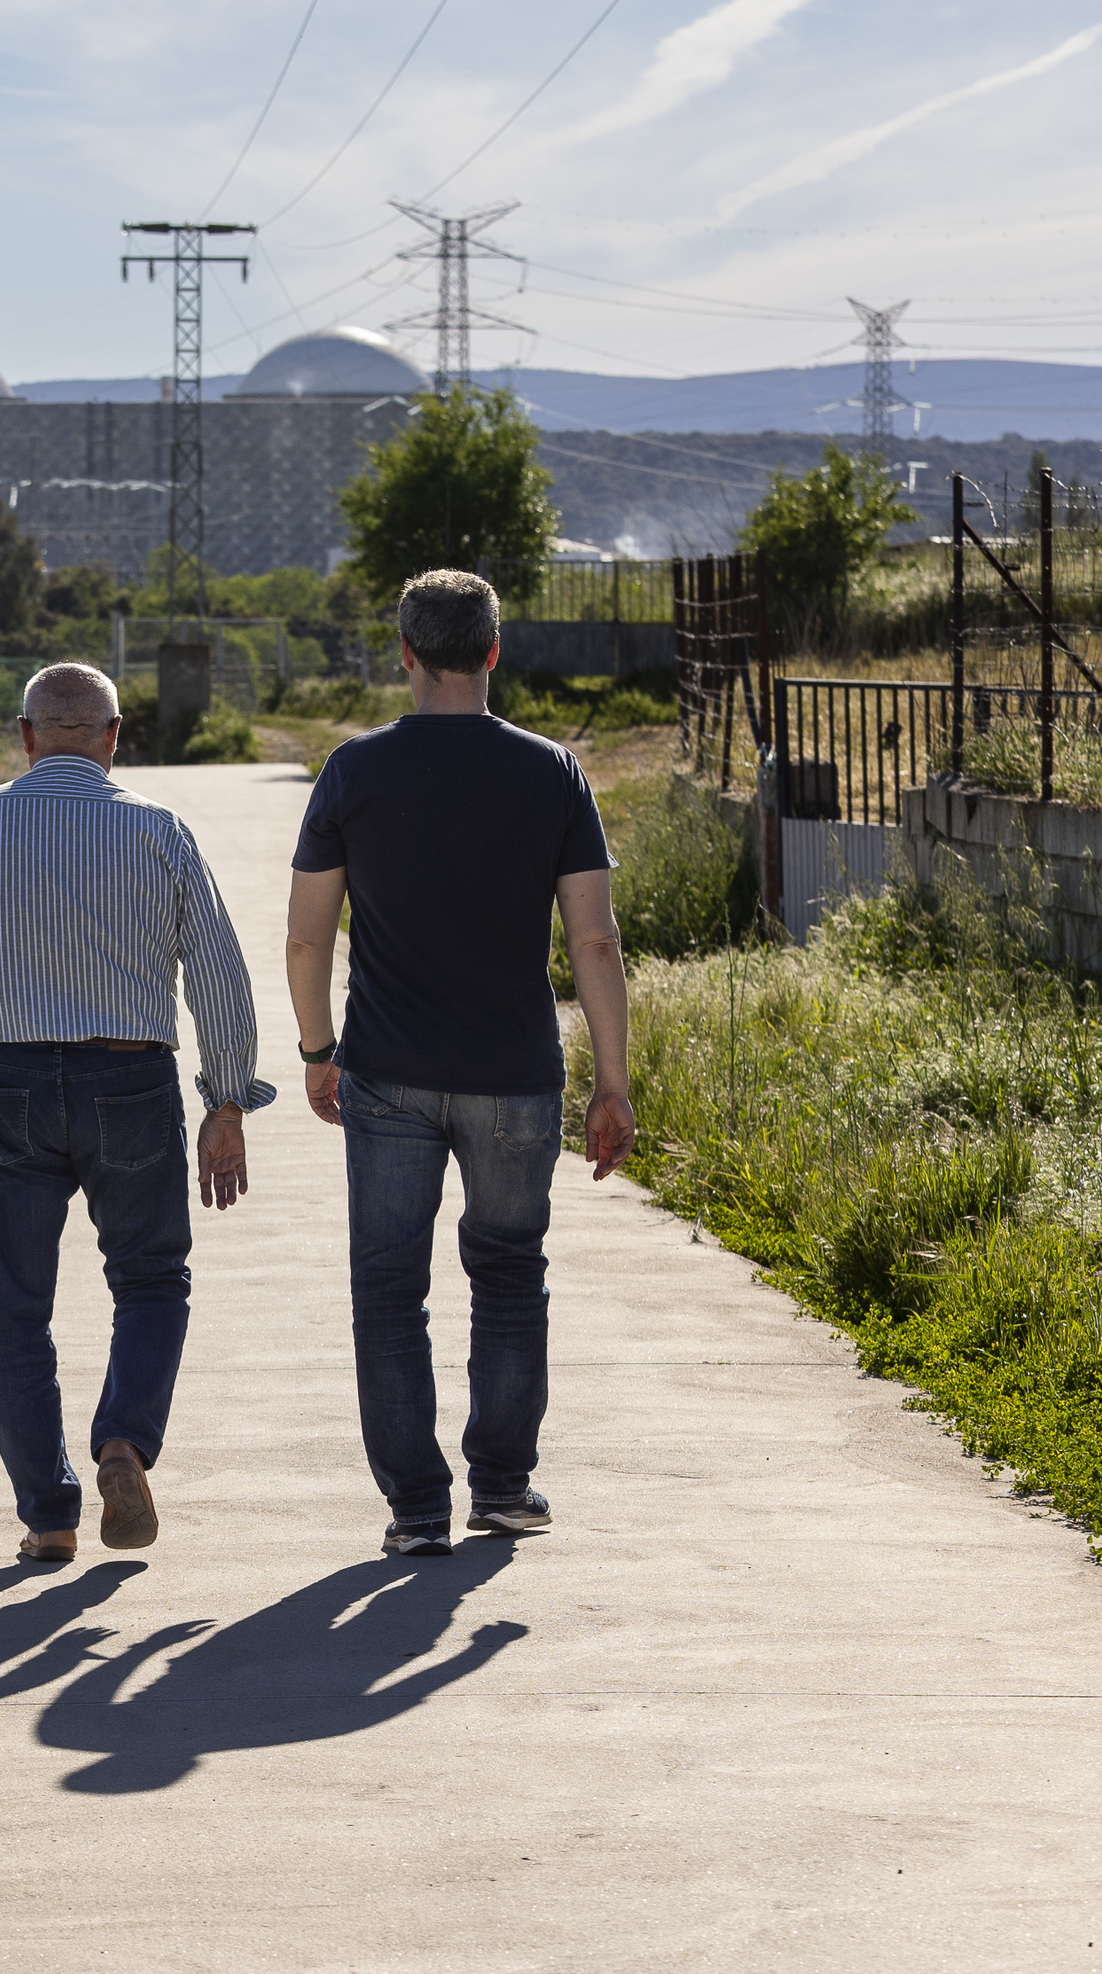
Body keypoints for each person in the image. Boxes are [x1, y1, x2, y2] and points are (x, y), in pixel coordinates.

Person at [0, 663, 269, 1564]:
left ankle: (48, 1514)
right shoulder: (159, 830)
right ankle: (124, 1441)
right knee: (149, 1280)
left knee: (12, 1305)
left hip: (6, 1081)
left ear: (24, 738)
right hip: (131, 1080)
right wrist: (225, 1100)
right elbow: (219, 973)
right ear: (114, 735)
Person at [284, 569, 635, 1558]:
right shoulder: (552, 772)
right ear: (491, 652)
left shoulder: (353, 772)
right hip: (516, 1073)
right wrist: (612, 1080)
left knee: (390, 1287)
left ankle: (415, 1508)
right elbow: (596, 941)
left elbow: (308, 937)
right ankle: (507, 1485)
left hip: (387, 1070)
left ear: (404, 653)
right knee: (512, 1272)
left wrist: (320, 1050)